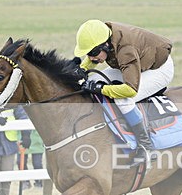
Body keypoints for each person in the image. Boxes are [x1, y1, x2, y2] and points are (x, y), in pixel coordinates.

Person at [74, 20, 174, 165]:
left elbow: (129, 90)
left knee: (123, 100)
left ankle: (147, 146)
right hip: (136, 62)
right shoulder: (106, 37)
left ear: (106, 45)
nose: (90, 58)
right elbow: (93, 60)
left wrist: (101, 89)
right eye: (88, 54)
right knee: (94, 78)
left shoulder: (125, 50)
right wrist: (83, 69)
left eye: (93, 53)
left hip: (158, 69)